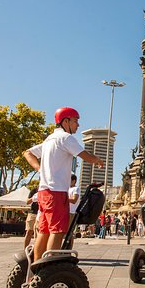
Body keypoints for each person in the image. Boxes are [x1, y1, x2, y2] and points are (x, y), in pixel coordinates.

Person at [23, 107, 104, 262]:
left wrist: (40, 169)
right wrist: (97, 160)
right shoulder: (66, 138)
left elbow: (28, 152)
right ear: (65, 121)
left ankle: (37, 265)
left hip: (43, 192)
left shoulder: (49, 140)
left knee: (44, 231)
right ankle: (50, 264)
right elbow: (84, 155)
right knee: (57, 231)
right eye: (75, 121)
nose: (78, 125)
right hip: (57, 192)